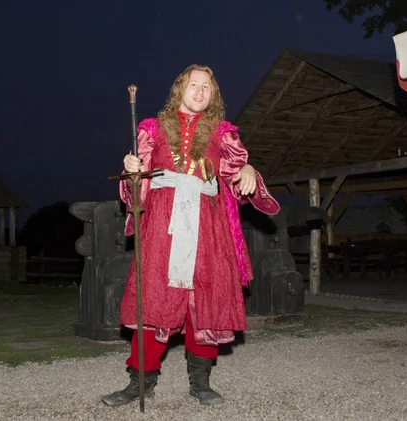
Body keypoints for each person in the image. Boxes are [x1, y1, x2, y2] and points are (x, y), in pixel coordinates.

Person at [101, 64, 280, 406]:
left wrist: (248, 169)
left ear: (213, 95)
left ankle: (201, 383)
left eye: (207, 87)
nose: (200, 91)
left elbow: (233, 174)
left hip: (208, 228)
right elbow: (138, 185)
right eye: (193, 84)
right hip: (162, 227)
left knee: (206, 303)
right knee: (153, 301)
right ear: (179, 89)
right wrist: (132, 171)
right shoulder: (151, 128)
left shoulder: (223, 132)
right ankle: (140, 382)